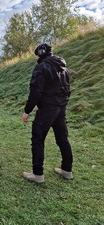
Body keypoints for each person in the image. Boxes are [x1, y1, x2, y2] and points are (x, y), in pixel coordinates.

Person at [22, 43, 73, 183]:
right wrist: (62, 104)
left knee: (38, 139)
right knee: (62, 138)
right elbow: (68, 89)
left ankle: (37, 175)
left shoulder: (41, 67)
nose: (36, 58)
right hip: (60, 108)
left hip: (46, 109)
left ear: (41, 53)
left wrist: (27, 111)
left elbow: (35, 92)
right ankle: (67, 170)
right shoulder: (63, 68)